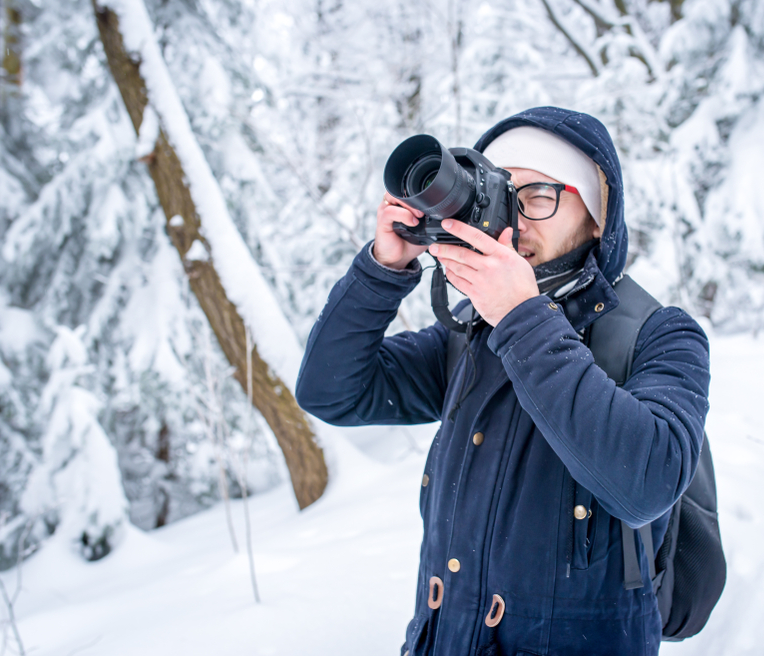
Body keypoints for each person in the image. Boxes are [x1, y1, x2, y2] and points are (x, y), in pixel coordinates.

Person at [295, 107, 710, 655]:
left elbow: (646, 483)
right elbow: (332, 390)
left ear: (598, 217)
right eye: (502, 193)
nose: (517, 218)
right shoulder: (469, 337)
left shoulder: (661, 334)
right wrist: (384, 269)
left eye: (539, 196)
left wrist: (521, 317)